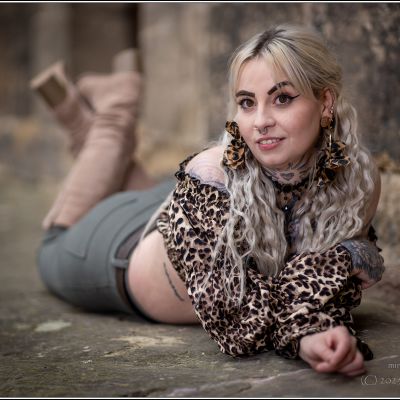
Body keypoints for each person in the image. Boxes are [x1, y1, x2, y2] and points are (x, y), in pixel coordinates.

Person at [35, 24, 385, 378]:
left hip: (173, 202)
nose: (260, 122)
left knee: (137, 188)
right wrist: (308, 330)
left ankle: (92, 119)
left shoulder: (357, 178)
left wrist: (333, 275)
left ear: (325, 102)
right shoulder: (211, 174)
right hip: (120, 250)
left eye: (282, 98)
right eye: (247, 102)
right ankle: (115, 111)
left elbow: (313, 278)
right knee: (52, 242)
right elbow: (241, 314)